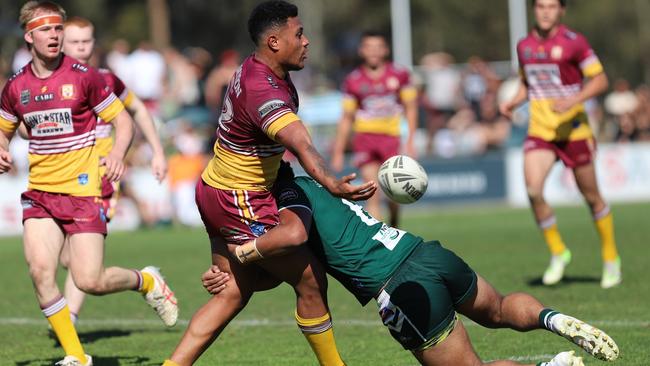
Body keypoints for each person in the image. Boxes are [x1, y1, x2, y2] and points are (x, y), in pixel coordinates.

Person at [202, 161, 619, 366]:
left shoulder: (287, 204)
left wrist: (238, 258)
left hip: (399, 286)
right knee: (500, 308)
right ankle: (552, 318)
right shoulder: (315, 183)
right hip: (425, 252)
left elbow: (291, 262)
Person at [166, 2, 376, 365]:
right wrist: (332, 183)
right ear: (275, 41)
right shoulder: (264, 89)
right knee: (309, 279)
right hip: (238, 196)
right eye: (299, 34)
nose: (307, 41)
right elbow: (302, 144)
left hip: (222, 188)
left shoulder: (262, 69)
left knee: (234, 291)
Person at [0, 2, 177, 365]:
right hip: (40, 194)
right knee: (40, 271)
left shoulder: (86, 77)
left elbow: (125, 120)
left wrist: (117, 155)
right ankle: (76, 356)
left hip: (84, 192)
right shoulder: (16, 87)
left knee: (89, 280)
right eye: (46, 29)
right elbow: (3, 131)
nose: (54, 35)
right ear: (29, 36)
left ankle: (145, 281)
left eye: (57, 28)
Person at [53, 15, 169, 325]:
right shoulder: (52, 83)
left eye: (86, 41)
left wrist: (157, 152)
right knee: (67, 258)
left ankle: (70, 320)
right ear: (60, 44)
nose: (81, 48)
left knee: (79, 261)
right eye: (74, 42)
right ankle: (145, 279)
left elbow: (138, 110)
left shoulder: (106, 79)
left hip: (101, 179)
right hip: (63, 177)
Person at [499, 0, 620, 288]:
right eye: (541, 5)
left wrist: (574, 99)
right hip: (540, 130)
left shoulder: (574, 43)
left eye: (552, 6)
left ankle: (610, 257)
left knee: (592, 198)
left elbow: (600, 80)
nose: (545, 11)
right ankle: (558, 252)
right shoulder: (524, 46)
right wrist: (514, 101)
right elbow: (528, 84)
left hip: (574, 131)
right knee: (532, 190)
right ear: (534, 9)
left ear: (561, 10)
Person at [330, 31, 418, 227]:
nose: (374, 52)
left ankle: (394, 222)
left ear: (386, 50)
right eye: (369, 47)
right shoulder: (353, 80)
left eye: (378, 47)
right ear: (362, 50)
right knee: (374, 190)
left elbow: (411, 108)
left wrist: (411, 140)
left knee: (394, 191)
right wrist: (338, 151)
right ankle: (383, 239)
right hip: (365, 139)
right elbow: (346, 118)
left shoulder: (400, 75)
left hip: (391, 138)